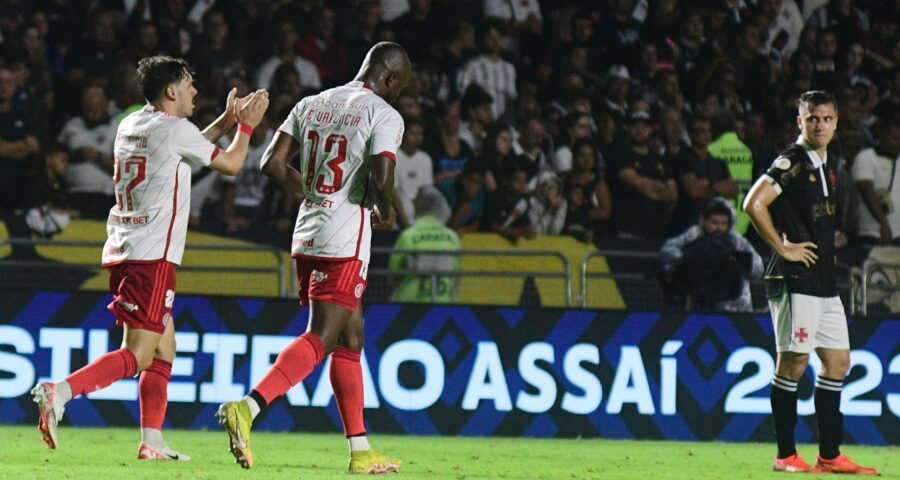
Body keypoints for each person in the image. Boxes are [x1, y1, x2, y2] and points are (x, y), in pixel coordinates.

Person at [31, 55, 269, 460]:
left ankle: (152, 440)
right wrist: (246, 126)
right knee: (139, 352)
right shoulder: (175, 130)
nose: (195, 91)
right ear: (172, 91)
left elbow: (186, 145)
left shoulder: (132, 123)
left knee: (165, 347)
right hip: (153, 256)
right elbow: (229, 162)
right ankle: (61, 392)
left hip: (125, 247)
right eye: (189, 84)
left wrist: (226, 123)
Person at [215, 42, 410, 474]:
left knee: (351, 337)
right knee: (322, 337)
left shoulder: (313, 101)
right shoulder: (384, 113)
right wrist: (387, 211)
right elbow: (381, 177)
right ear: (391, 80)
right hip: (345, 239)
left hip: (308, 231)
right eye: (402, 86)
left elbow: (271, 163)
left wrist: (319, 196)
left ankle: (360, 453)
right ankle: (248, 407)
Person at [743, 90, 877, 474]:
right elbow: (753, 202)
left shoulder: (830, 163)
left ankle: (829, 455)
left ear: (836, 123)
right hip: (794, 276)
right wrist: (783, 249)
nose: (820, 125)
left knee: (837, 362)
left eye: (827, 119)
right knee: (795, 362)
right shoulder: (792, 161)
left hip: (822, 277)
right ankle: (785, 455)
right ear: (799, 121)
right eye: (812, 118)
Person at [660, 198, 763, 312]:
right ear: (704, 220)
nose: (718, 227)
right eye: (714, 222)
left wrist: (738, 264)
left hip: (735, 305)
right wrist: (689, 258)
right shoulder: (694, 234)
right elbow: (667, 250)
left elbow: (758, 268)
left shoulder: (737, 241)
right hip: (699, 299)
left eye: (723, 223)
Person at [389, 185, 461, 303]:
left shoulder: (409, 236)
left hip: (409, 304)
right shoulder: (452, 238)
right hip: (444, 303)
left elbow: (393, 273)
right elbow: (457, 274)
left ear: (418, 206)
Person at [852, 120, 900, 246]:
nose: (898, 143)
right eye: (895, 139)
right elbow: (866, 191)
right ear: (881, 136)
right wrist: (883, 223)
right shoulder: (866, 157)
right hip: (872, 232)